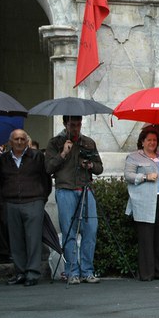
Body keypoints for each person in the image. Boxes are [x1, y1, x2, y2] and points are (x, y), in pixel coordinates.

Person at [45, 115, 103, 285]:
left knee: (90, 230)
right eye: (72, 125)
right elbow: (48, 168)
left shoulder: (88, 142)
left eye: (78, 125)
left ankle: (87, 271)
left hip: (85, 188)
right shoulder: (55, 142)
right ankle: (72, 271)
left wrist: (90, 165)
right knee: (68, 231)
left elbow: (99, 168)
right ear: (65, 124)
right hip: (65, 189)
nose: (76, 128)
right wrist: (63, 153)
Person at [0, 129, 52, 287]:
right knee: (15, 240)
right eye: (16, 139)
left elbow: (46, 179)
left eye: (22, 139)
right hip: (11, 202)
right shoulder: (3, 159)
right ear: (10, 142)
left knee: (33, 239)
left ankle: (32, 273)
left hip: (33, 201)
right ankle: (20, 272)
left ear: (27, 141)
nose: (19, 142)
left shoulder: (37, 156)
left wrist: (42, 198)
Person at [124, 130, 159, 281]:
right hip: (144, 202)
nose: (152, 143)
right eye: (149, 140)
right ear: (142, 141)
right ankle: (147, 273)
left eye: (154, 140)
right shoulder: (134, 157)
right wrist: (145, 177)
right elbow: (128, 175)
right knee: (146, 238)